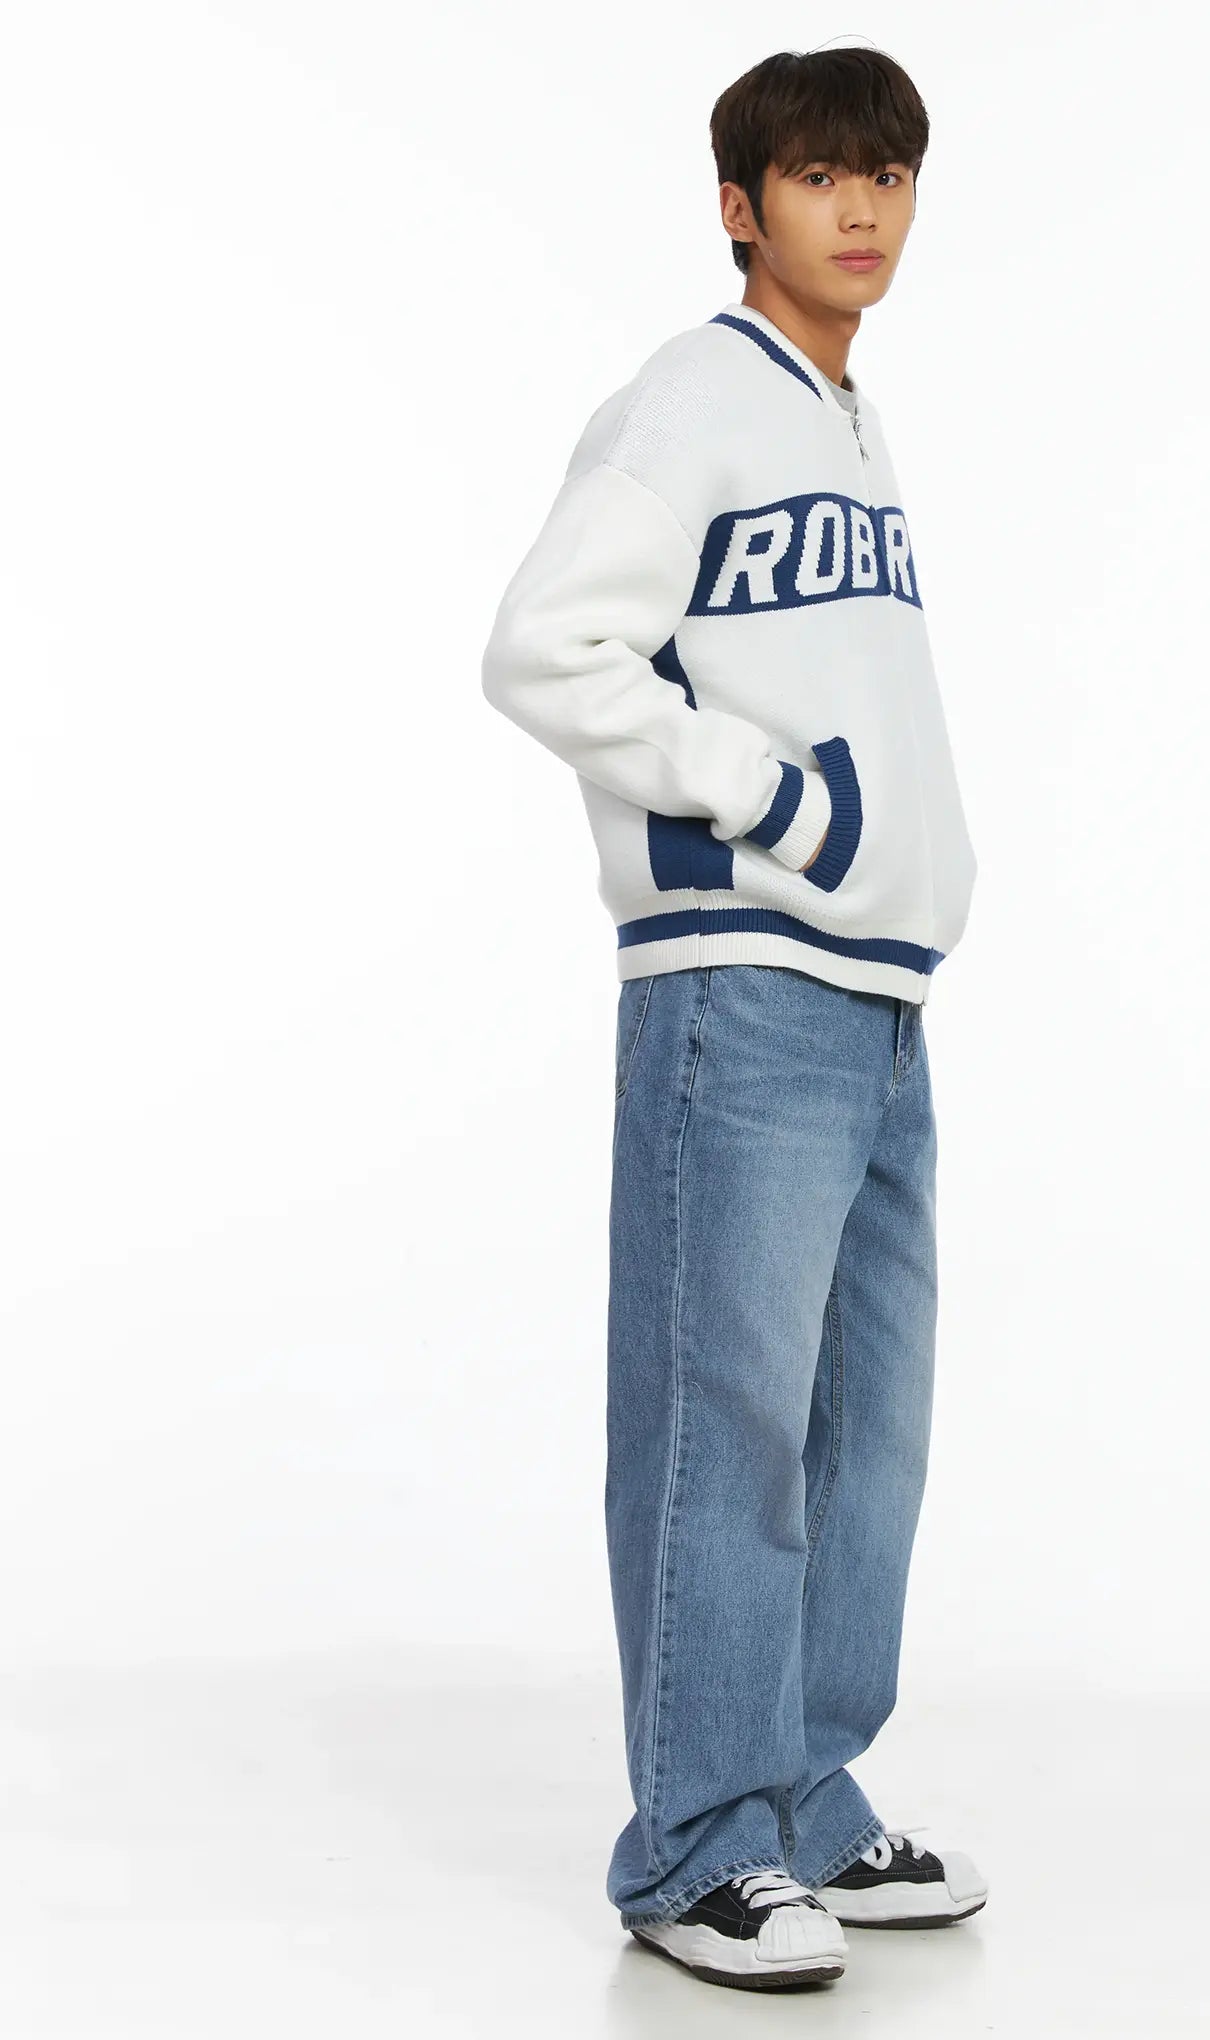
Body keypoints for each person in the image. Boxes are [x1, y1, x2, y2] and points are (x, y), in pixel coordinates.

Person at [480, 43, 986, 1992]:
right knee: (729, 1423)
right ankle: (697, 1843)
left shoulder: (848, 420)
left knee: (864, 1440)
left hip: (876, 995)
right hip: (740, 985)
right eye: (820, 173)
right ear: (739, 205)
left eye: (889, 174)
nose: (861, 207)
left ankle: (801, 1797)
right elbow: (547, 644)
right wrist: (770, 799)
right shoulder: (694, 397)